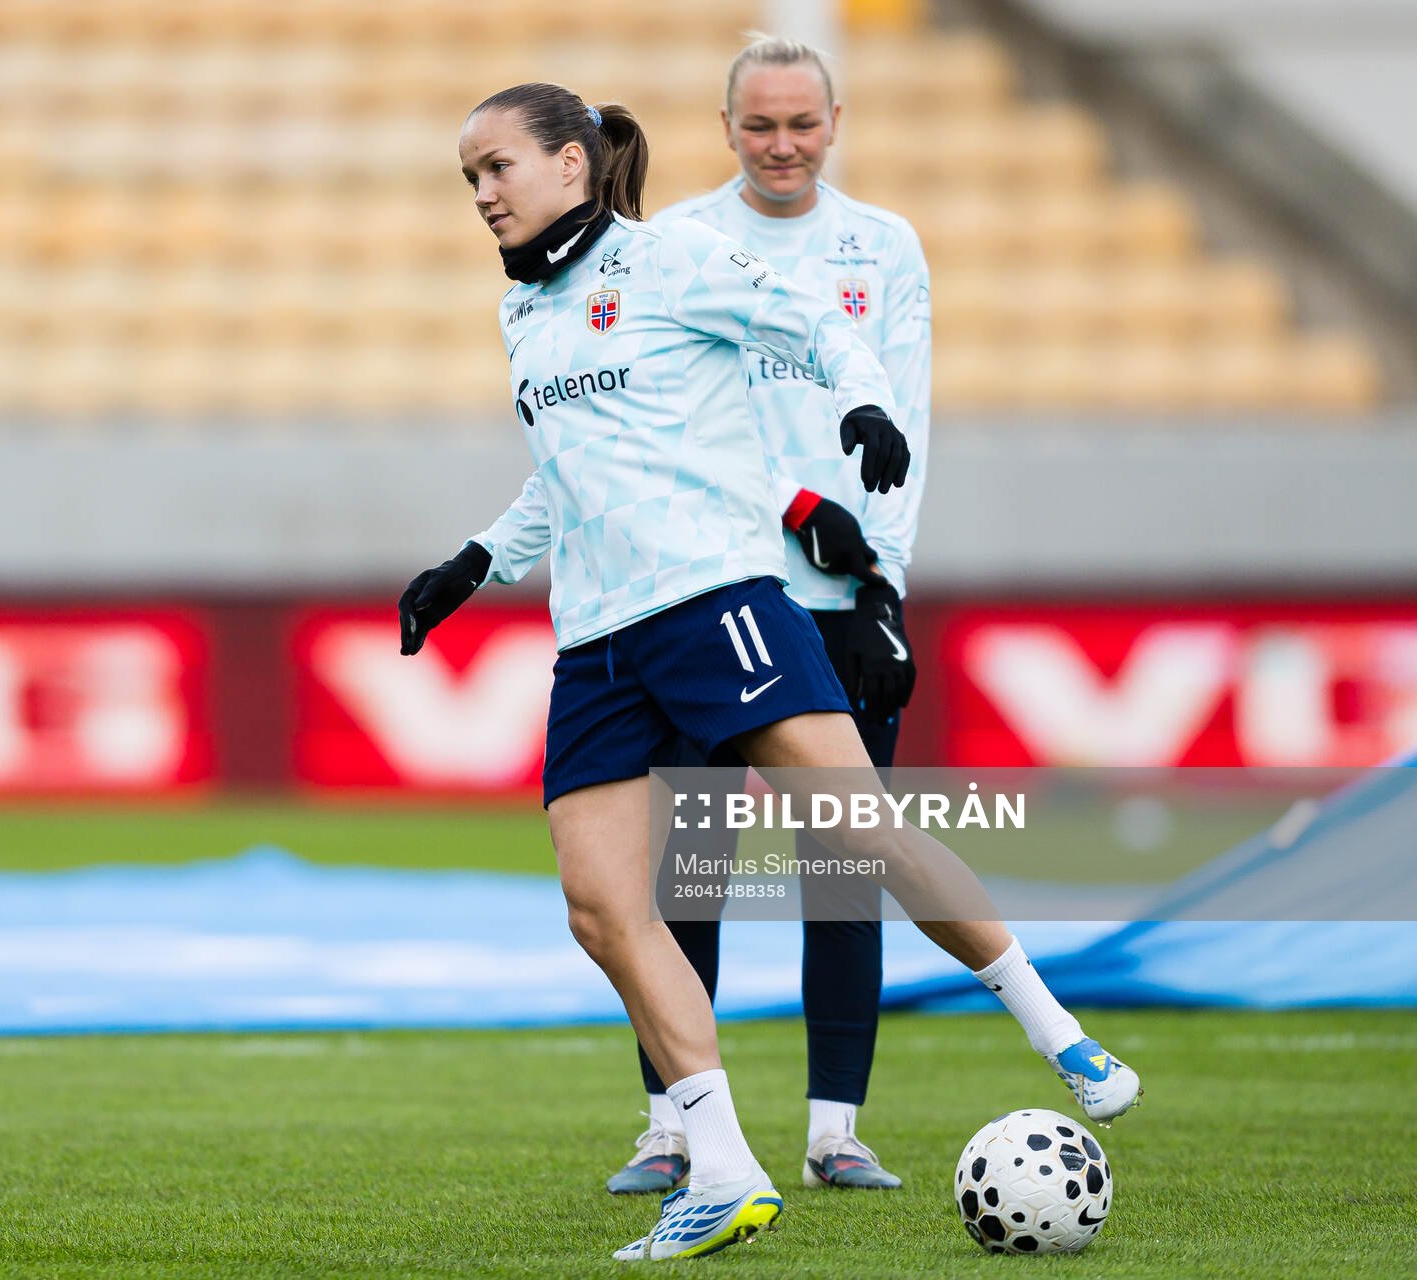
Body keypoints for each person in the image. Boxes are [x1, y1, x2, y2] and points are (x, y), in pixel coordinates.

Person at [400, 82, 1139, 1263]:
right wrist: (475, 561)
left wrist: (863, 406)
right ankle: (724, 1166)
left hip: (716, 603)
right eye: (468, 177)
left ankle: (1059, 1032)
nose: (481, 193)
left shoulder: (670, 263)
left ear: (573, 166)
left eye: (497, 166)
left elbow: (815, 327)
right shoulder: (523, 315)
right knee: (603, 906)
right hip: (595, 637)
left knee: (862, 837)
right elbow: (569, 468)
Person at [585, 35, 928, 1197]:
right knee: (692, 873)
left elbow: (904, 421)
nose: (782, 146)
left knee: (844, 870)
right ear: (726, 127)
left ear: (837, 120)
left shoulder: (884, 249)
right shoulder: (674, 243)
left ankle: (836, 1130)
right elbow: (659, 427)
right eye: (760, 126)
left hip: (839, 598)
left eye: (803, 124)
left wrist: (885, 585)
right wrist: (785, 513)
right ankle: (672, 1129)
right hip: (708, 587)